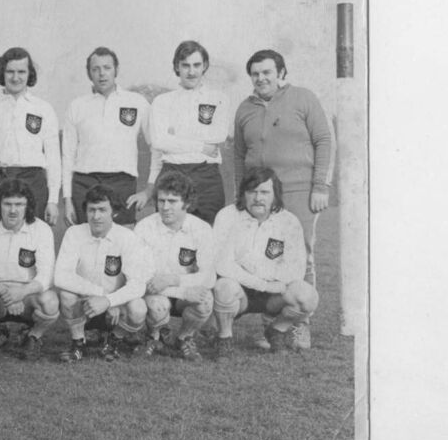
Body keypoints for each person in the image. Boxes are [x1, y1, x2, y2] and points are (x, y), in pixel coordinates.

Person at [233, 48, 333, 348]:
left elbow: (324, 140)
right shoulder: (244, 108)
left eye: (267, 72)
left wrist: (320, 186)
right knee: (267, 255)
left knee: (302, 255)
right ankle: (272, 324)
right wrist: (242, 196)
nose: (261, 78)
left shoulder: (303, 98)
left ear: (281, 73)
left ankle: (300, 324)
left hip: (298, 190)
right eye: (255, 73)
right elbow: (239, 156)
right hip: (261, 197)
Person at [212, 167, 318, 356]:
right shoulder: (227, 216)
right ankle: (224, 338)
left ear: (275, 195)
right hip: (240, 292)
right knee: (223, 287)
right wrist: (261, 283)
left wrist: (268, 281)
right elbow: (222, 264)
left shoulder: (289, 221)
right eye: (252, 191)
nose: (258, 198)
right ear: (243, 194)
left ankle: (277, 331)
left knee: (307, 296)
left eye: (264, 192)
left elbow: (296, 269)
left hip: (273, 294)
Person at [129, 40, 232, 226]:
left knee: (208, 235)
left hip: (207, 177)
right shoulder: (162, 102)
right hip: (172, 173)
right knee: (171, 236)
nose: (191, 72)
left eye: (196, 65)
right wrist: (201, 145)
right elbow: (159, 143)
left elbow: (218, 136)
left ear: (205, 66)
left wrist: (174, 138)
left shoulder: (219, 99)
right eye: (185, 65)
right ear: (177, 67)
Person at [54, 185, 149, 362]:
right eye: (92, 210)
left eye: (102, 210)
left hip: (116, 308)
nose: (96, 216)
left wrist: (110, 301)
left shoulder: (127, 237)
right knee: (66, 295)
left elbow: (138, 284)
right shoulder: (74, 233)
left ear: (114, 213)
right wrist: (101, 296)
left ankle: (113, 342)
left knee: (138, 308)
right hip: (86, 303)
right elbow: (60, 276)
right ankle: (78, 343)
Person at [0, 179, 59, 362]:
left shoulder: (41, 229)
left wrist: (22, 292)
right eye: (7, 204)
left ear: (28, 206)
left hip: (27, 295)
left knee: (50, 302)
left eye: (19, 204)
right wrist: (5, 292)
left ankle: (34, 337)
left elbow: (46, 274)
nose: (13, 210)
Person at [0, 47, 61, 225]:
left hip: (33, 181)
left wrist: (53, 201)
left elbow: (53, 159)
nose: (15, 77)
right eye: (10, 71)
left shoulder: (43, 109)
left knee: (30, 241)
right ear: (2, 73)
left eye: (21, 72)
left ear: (29, 74)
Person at [133, 170, 216, 362]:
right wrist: (177, 289)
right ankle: (154, 337)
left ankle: (184, 338)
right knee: (157, 305)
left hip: (180, 288)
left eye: (172, 201)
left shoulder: (202, 229)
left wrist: (173, 281)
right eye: (161, 201)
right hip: (155, 291)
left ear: (186, 203)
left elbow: (208, 277)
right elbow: (140, 274)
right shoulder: (144, 228)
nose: (165, 207)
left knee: (205, 300)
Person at [61, 47, 150, 227]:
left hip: (122, 182)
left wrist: (148, 191)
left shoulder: (136, 102)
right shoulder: (77, 105)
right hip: (84, 183)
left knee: (121, 243)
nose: (102, 74)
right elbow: (68, 156)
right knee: (85, 241)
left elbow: (156, 146)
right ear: (89, 74)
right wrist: (68, 199)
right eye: (96, 69)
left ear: (116, 70)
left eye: (107, 68)